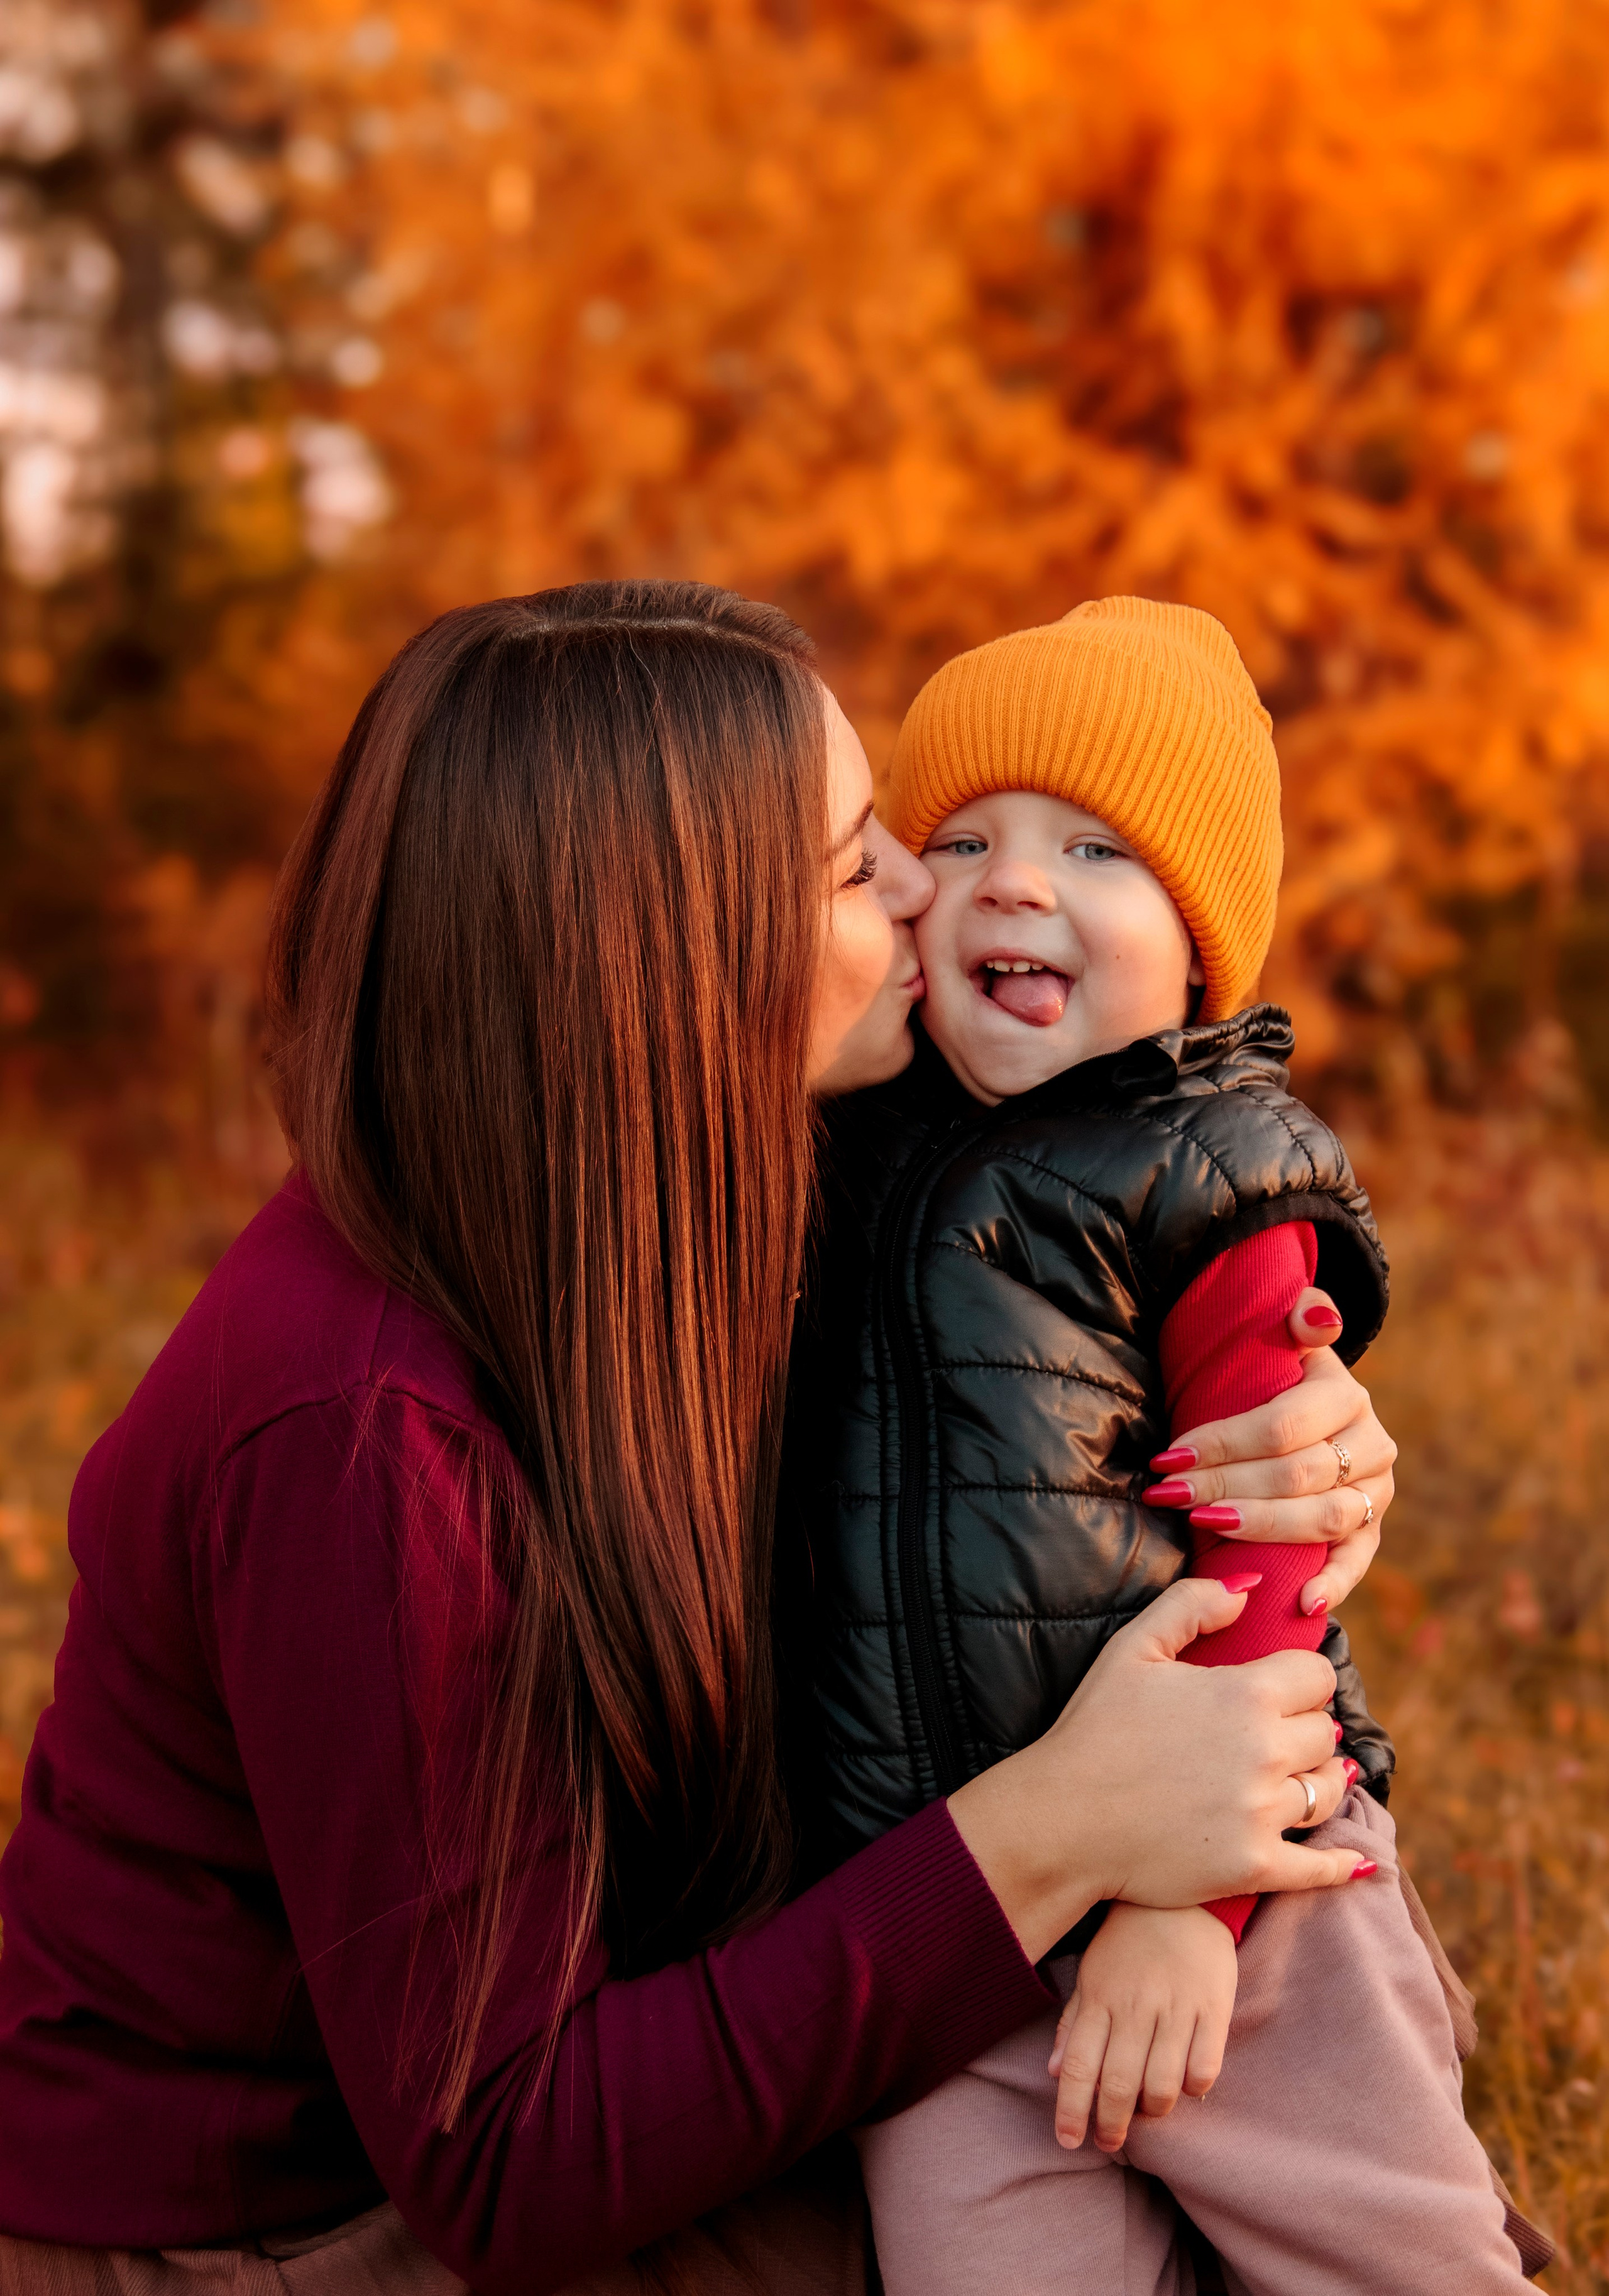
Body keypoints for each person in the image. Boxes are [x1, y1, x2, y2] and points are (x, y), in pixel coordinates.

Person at [0, 584, 1398, 2296]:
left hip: (562, 2078)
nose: (925, 883)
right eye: (851, 864)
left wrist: (1269, 1447)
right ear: (666, 959)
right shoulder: (358, 1430)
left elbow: (1004, 1430)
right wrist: (1051, 1831)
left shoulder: (681, 1206)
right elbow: (504, 2163)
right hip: (254, 2234)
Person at [788, 597, 1542, 2292]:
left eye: (1095, 851)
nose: (1014, 884)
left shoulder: (1205, 1173)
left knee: (1388, 2249)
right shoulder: (846, 1144)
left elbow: (1273, 1560)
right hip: (949, 1905)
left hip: (1240, 1887)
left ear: (1203, 950)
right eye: (961, 840)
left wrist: (1187, 1911)